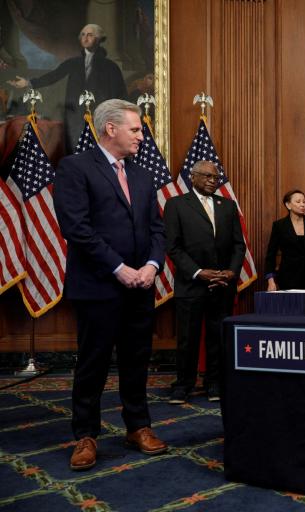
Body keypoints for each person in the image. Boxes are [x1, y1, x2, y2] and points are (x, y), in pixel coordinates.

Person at [53, 99, 167, 471]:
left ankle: (138, 427)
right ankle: (85, 435)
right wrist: (120, 268)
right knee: (93, 363)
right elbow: (77, 229)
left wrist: (151, 265)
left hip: (140, 286)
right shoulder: (75, 167)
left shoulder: (143, 174)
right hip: (99, 286)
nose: (141, 135)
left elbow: (157, 229)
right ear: (110, 129)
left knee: (137, 360)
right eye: (135, 129)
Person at [163, 160, 246, 404]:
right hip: (192, 284)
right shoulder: (176, 205)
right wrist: (199, 272)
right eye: (207, 176)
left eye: (216, 177)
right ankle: (183, 385)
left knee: (217, 336)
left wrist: (230, 272)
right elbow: (173, 247)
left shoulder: (228, 206)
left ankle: (214, 383)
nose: (213, 180)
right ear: (193, 177)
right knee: (188, 338)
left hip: (222, 284)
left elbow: (238, 245)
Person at [8, 24, 126, 153]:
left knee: (100, 150)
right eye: (83, 34)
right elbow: (53, 76)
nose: (85, 38)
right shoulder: (73, 63)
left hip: (101, 116)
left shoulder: (111, 67)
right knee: (74, 150)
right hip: (75, 116)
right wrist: (28, 83)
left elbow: (120, 94)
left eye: (90, 35)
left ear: (99, 39)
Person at [265, 190, 305, 290]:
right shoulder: (279, 225)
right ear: (288, 205)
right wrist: (270, 280)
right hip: (288, 280)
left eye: (304, 201)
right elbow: (271, 255)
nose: (302, 204)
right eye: (298, 202)